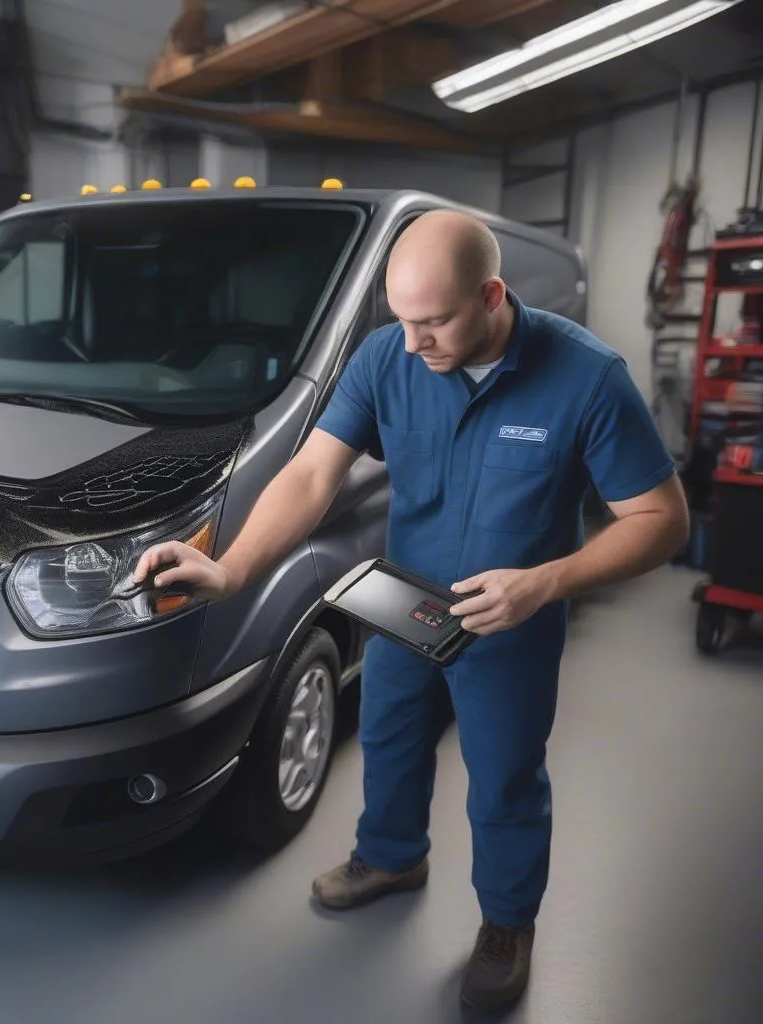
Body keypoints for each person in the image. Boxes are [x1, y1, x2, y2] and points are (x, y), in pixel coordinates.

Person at [132, 210, 689, 1012]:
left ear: (491, 295)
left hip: (509, 617)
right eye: (401, 320)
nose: (413, 342)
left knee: (502, 779)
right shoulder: (385, 357)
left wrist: (548, 581)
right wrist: (229, 567)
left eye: (433, 322)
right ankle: (391, 857)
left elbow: (660, 520)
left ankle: (505, 924)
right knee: (389, 739)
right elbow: (312, 475)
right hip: (403, 601)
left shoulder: (585, 377)